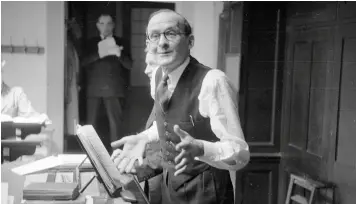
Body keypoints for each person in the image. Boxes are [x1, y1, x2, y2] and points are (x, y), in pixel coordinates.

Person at [111, 9, 250, 204]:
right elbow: (168, 120)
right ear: (149, 43)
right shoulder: (158, 76)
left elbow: (240, 153)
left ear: (190, 42)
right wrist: (143, 137)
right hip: (171, 186)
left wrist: (202, 148)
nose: (162, 43)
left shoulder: (213, 81)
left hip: (205, 190)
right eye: (155, 36)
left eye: (171, 33)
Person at [82, 13, 132, 152]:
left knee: (115, 123)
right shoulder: (90, 42)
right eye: (102, 23)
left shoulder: (122, 42)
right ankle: (90, 152)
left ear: (114, 25)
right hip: (94, 88)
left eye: (109, 23)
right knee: (91, 123)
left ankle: (116, 153)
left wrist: (118, 54)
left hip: (114, 88)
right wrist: (100, 54)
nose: (106, 27)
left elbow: (130, 65)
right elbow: (83, 62)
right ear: (97, 25)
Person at [65, 17, 82, 136]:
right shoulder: (66, 46)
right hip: (68, 81)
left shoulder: (71, 46)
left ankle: (70, 134)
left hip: (72, 81)